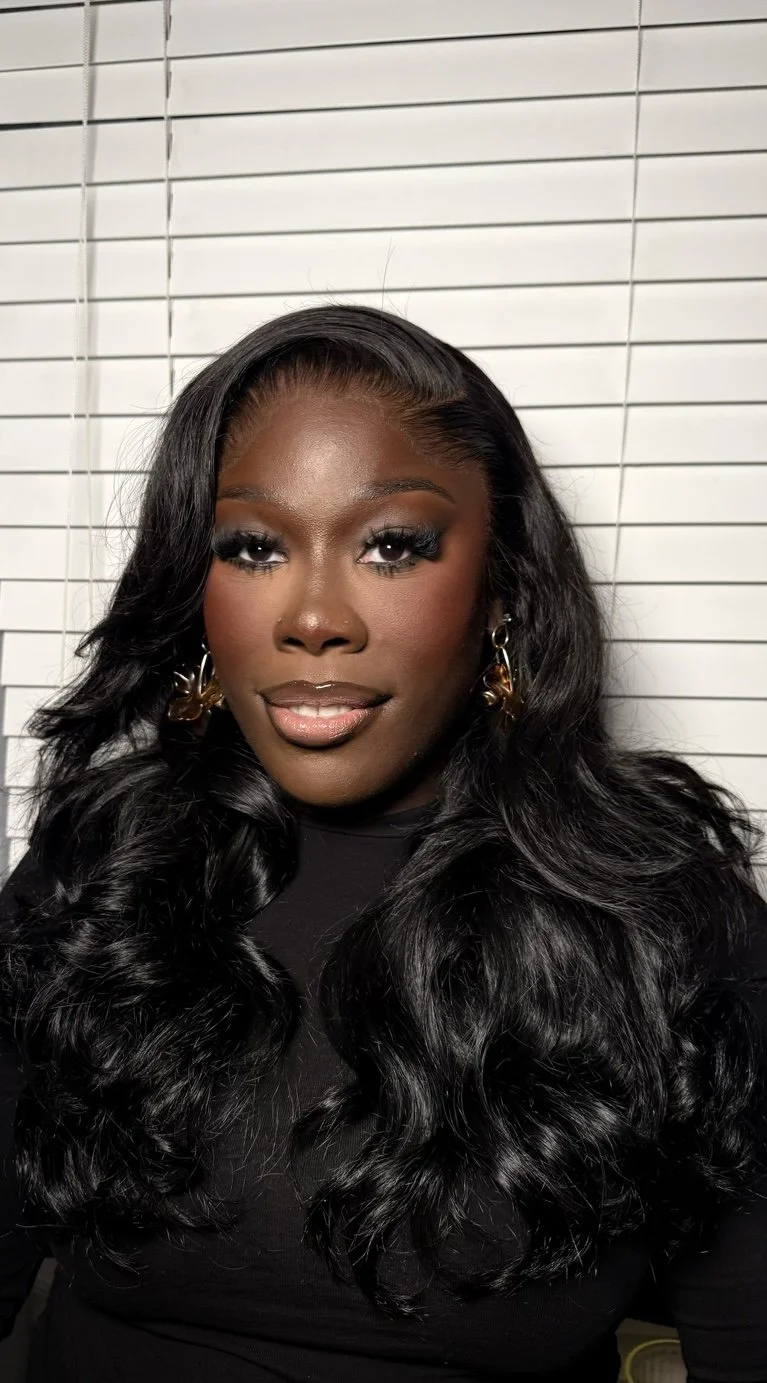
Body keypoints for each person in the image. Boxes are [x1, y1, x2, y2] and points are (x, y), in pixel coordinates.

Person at [0, 304, 765, 1383]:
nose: (314, 617)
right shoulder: (106, 873)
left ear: (498, 588)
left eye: (391, 546)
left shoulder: (659, 916)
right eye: (254, 547)